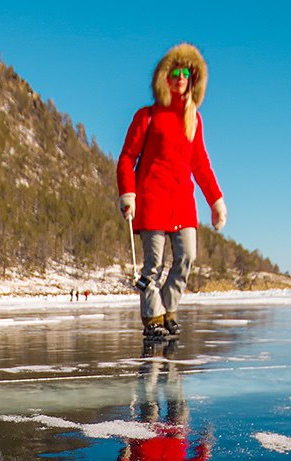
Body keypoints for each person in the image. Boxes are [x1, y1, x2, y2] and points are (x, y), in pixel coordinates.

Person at [116, 42, 227, 342]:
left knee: (186, 258)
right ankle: (153, 318)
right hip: (152, 201)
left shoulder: (194, 119)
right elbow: (127, 157)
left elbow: (201, 164)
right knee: (153, 266)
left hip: (182, 204)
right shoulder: (147, 116)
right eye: (175, 71)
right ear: (164, 77)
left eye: (186, 73)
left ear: (193, 80)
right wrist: (128, 194)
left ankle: (168, 309)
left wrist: (216, 201)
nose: (180, 77)